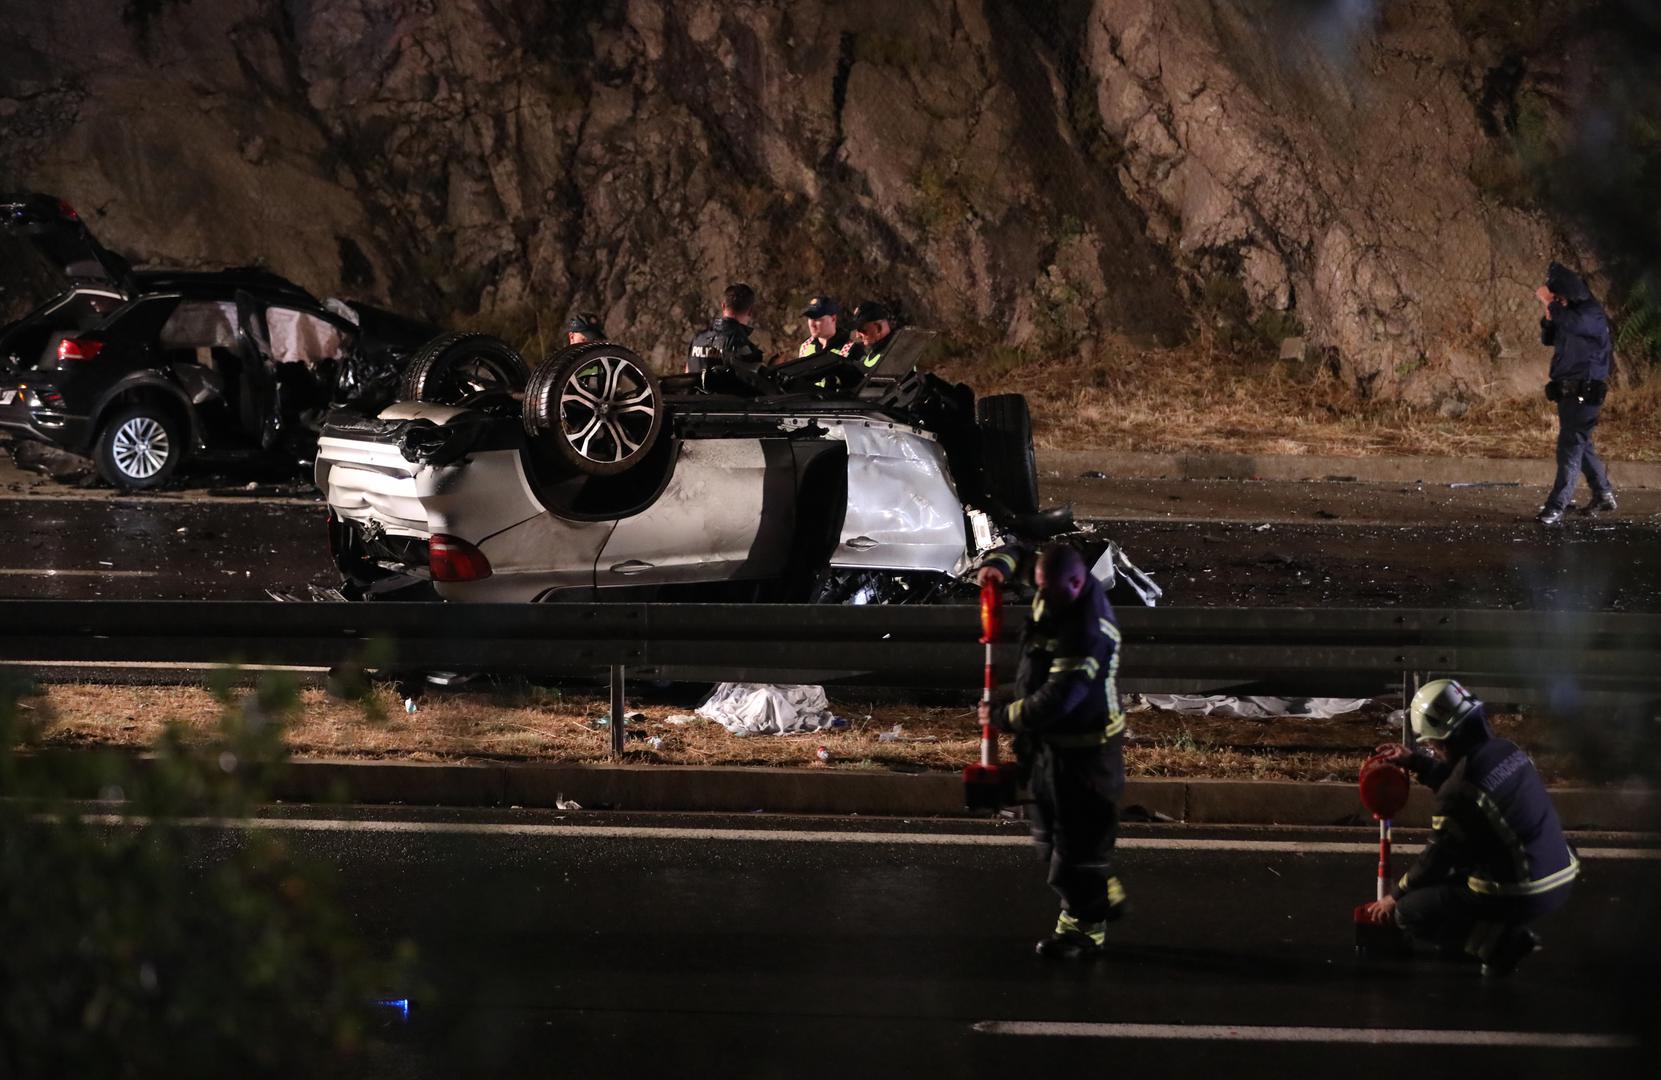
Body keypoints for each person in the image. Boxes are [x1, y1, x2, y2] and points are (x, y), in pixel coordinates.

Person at [1361, 678, 1577, 977]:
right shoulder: (1506, 750)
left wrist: (1392, 897)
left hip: (1525, 890)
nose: (1431, 751)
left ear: (1439, 739)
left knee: (1410, 912)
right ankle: (1500, 925)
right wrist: (1414, 762)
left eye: (1429, 746)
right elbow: (1466, 783)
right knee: (1466, 865)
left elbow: (1434, 862)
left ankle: (1498, 944)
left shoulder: (1460, 792)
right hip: (1561, 873)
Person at [977, 541, 1128, 959]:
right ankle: (1098, 889)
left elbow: (1059, 700)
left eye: (1050, 591)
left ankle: (1083, 929)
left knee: (1073, 854)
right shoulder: (1057, 580)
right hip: (1050, 748)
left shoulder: (1088, 629)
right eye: (1039, 587)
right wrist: (996, 569)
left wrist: (1002, 716)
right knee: (1048, 841)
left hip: (1086, 757)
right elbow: (1023, 556)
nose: (1043, 597)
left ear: (1079, 584)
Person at [1534, 262, 1616, 525]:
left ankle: (1556, 506)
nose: (1557, 302)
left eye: (1559, 298)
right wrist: (1549, 314)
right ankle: (1603, 493)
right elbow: (1550, 338)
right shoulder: (1569, 314)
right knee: (1581, 443)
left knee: (1569, 446)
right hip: (1568, 391)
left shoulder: (1590, 314)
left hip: (1586, 391)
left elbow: (1572, 323)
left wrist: (1551, 303)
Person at [686, 282, 767, 385]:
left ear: (723, 306)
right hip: (723, 401)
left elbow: (687, 376)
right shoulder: (744, 347)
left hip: (695, 399)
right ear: (750, 312)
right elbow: (755, 386)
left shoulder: (698, 339)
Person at [796, 295, 864, 363]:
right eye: (810, 318)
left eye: (817, 319)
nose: (812, 324)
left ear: (833, 319)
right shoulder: (805, 347)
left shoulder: (853, 351)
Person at [846, 300, 901, 373]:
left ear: (878, 328)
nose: (857, 335)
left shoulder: (895, 353)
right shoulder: (877, 352)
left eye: (862, 330)